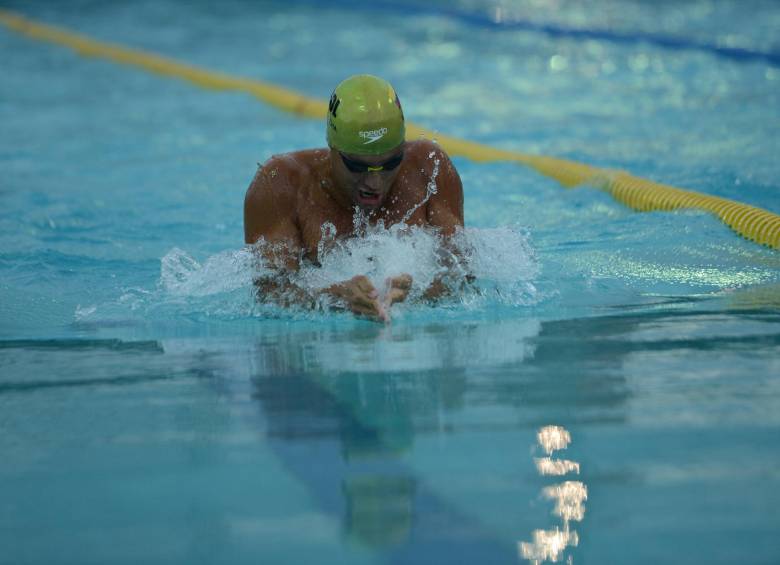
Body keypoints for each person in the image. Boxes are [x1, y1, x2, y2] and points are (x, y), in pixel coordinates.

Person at [244, 74, 464, 321]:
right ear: (332, 148)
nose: (374, 183)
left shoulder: (429, 169)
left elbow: (461, 276)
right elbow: (270, 294)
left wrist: (418, 295)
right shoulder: (282, 185)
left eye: (391, 162)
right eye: (357, 166)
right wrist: (336, 297)